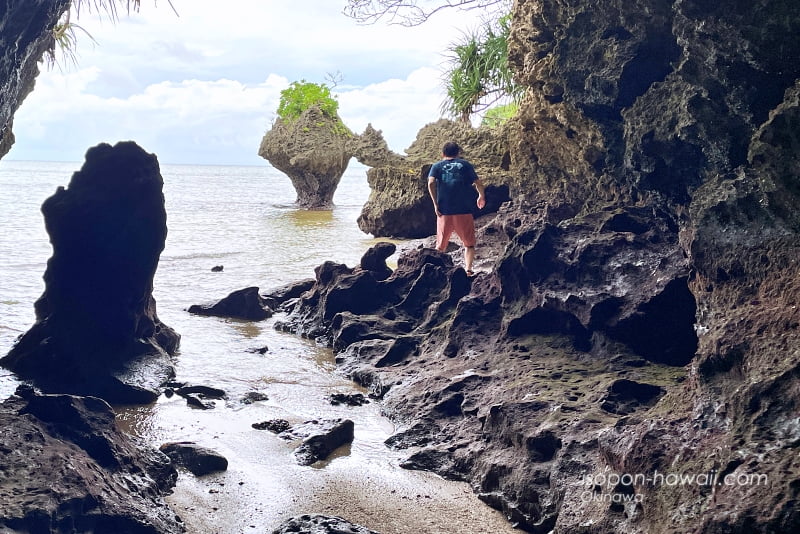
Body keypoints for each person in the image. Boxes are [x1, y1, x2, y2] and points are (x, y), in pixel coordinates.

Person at [427, 141, 486, 276]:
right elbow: (478, 183)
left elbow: (431, 183)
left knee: (440, 247)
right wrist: (481, 196)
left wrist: (435, 204)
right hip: (463, 210)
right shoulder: (465, 165)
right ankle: (468, 270)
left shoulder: (436, 166)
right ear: (458, 153)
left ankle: (438, 272)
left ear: (442, 154)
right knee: (469, 244)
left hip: (444, 211)